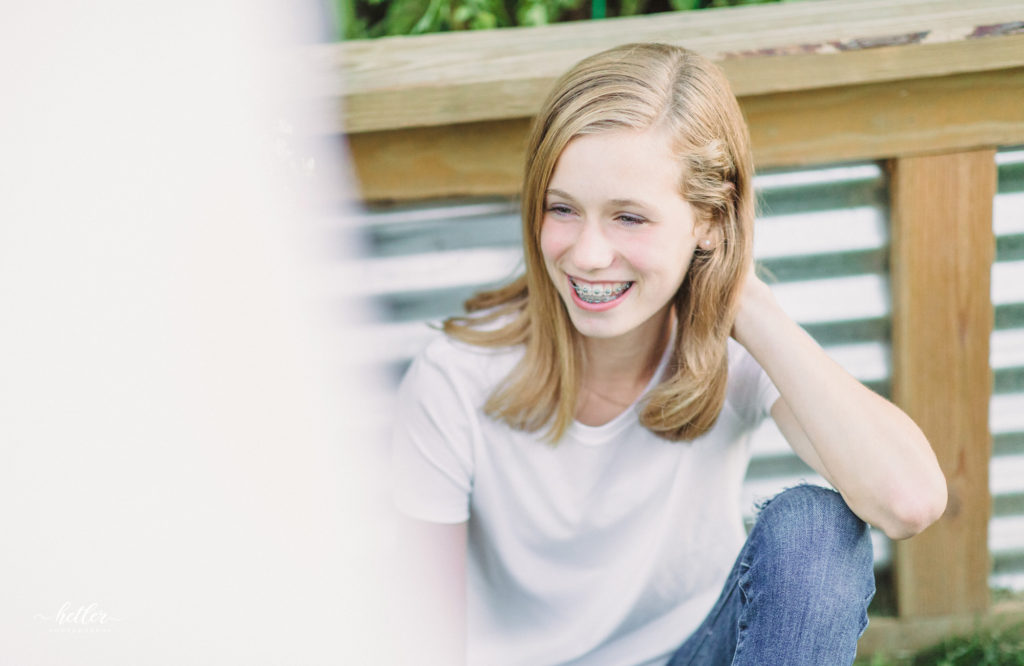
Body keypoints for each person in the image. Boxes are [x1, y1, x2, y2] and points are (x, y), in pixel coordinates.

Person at [391, 42, 947, 665]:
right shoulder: (454, 376)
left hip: (694, 653)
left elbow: (909, 501)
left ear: (709, 219)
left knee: (817, 529)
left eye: (629, 217)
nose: (588, 254)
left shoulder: (732, 348)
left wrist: (744, 299)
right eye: (563, 209)